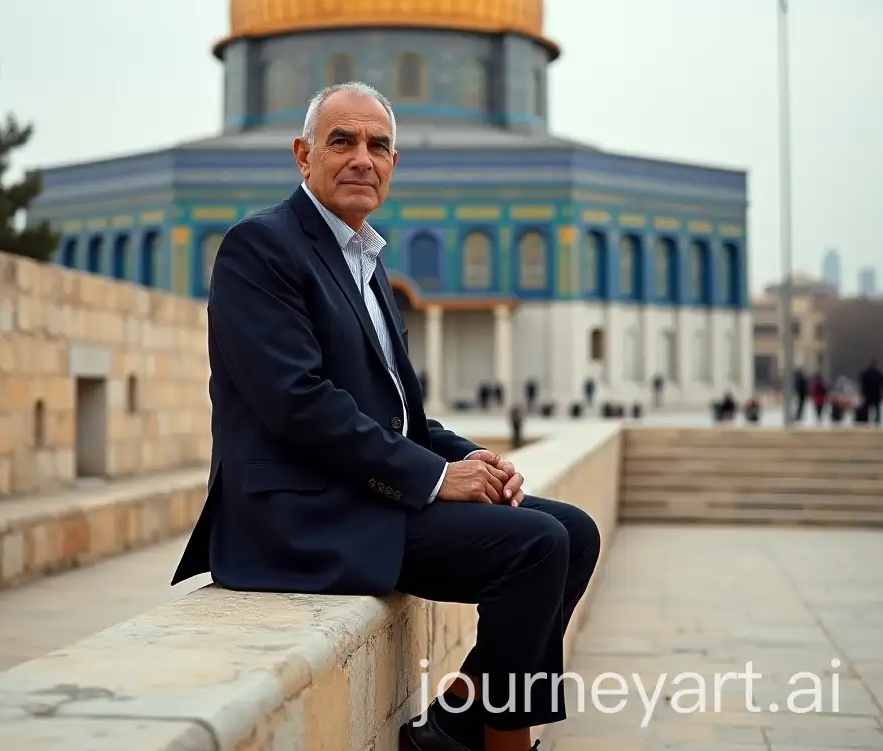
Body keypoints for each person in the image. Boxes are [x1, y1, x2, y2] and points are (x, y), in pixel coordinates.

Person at [172, 83, 601, 751]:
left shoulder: (366, 266)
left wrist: (478, 461)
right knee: (535, 546)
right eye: (341, 141)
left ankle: (457, 719)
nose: (361, 159)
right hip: (297, 518)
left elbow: (403, 414)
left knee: (573, 531)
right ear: (302, 155)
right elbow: (298, 404)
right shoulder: (260, 249)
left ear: (394, 165)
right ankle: (503, 745)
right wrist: (435, 479)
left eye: (378, 146)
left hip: (359, 499)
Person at [859, 359, 883, 427]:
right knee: (876, 409)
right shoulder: (878, 374)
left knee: (867, 409)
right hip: (876, 395)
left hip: (868, 394)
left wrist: (863, 392)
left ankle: (866, 421)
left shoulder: (866, 374)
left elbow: (862, 383)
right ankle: (877, 421)